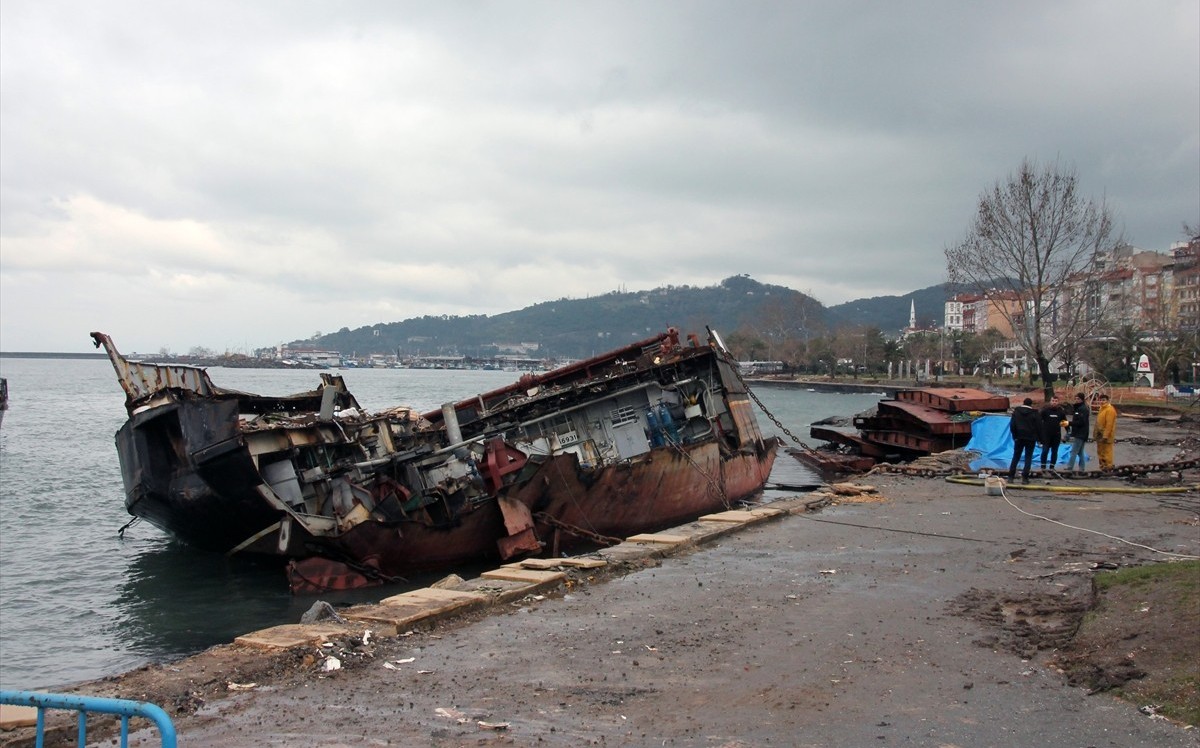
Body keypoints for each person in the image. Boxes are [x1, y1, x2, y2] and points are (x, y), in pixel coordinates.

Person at [1007, 397, 1040, 484]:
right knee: (1028, 458)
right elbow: (1038, 427)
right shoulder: (1034, 413)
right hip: (1030, 438)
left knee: (1016, 457)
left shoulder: (1016, 412)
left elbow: (1012, 425)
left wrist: (1015, 436)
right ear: (1030, 404)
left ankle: (1011, 477)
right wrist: (1039, 439)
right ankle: (1025, 478)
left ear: (1023, 403)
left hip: (1019, 437)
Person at [1037, 395, 1067, 470]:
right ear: (1050, 402)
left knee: (1054, 452)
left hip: (1056, 435)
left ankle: (1052, 467)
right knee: (1045, 451)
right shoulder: (1045, 410)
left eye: (1056, 401)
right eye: (1053, 401)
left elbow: (1064, 422)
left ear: (1058, 402)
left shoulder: (1061, 411)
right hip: (1046, 435)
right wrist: (1038, 433)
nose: (1054, 402)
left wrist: (1068, 431)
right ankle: (1043, 467)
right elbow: (1038, 420)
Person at [1064, 392, 1090, 472]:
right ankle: (1082, 468)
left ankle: (1069, 467)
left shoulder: (1083, 409)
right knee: (1080, 452)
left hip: (1081, 433)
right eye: (1075, 398)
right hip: (1080, 433)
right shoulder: (1078, 408)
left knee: (1074, 451)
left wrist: (1069, 423)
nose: (1076, 400)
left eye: (1078, 399)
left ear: (1082, 399)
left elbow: (1081, 422)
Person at [1093, 393, 1118, 470]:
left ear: (1107, 401)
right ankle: (1102, 466)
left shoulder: (1110, 410)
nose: (1102, 402)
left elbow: (1109, 425)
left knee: (1107, 452)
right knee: (1100, 452)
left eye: (1103, 400)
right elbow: (1098, 423)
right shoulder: (1101, 409)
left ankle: (1108, 467)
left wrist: (1105, 436)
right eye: (1100, 400)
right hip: (1100, 434)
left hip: (1106, 436)